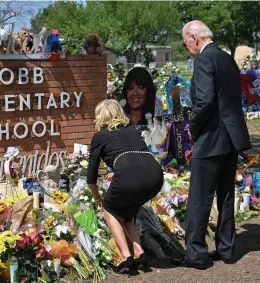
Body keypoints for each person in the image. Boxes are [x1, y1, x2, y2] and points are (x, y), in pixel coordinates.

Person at [172, 20, 251, 269]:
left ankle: (196, 255)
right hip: (231, 137)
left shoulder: (205, 60)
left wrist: (192, 129)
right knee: (226, 195)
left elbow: (204, 102)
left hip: (210, 138)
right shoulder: (227, 59)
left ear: (194, 38)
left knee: (199, 197)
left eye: (186, 44)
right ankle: (226, 249)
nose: (188, 49)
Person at [87, 99, 163, 274]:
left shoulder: (100, 135)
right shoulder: (132, 130)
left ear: (101, 115)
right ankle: (139, 252)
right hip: (155, 175)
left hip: (131, 176)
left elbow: (91, 176)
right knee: (128, 208)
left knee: (110, 208)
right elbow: (136, 156)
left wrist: (97, 197)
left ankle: (125, 257)